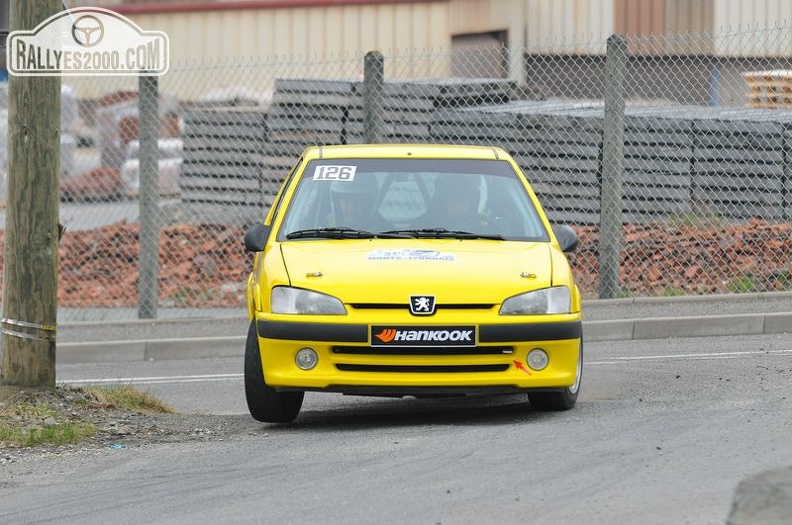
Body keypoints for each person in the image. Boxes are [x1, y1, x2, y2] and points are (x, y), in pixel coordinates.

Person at [419, 174, 490, 232]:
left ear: (472, 203)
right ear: (443, 203)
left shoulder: (487, 228)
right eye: (451, 202)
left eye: (462, 200)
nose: (457, 207)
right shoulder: (423, 228)